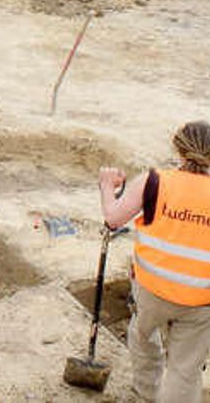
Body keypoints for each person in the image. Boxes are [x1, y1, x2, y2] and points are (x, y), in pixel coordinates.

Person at [98, 120, 210, 403]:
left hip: (152, 289)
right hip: (201, 299)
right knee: (185, 369)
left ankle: (147, 393)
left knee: (143, 336)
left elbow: (113, 219)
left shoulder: (154, 182)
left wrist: (107, 186)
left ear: (179, 150)